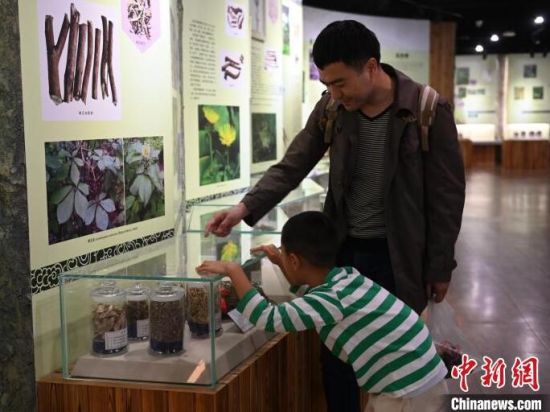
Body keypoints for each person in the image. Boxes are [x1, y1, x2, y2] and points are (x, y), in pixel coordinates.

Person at [205, 20, 465, 412]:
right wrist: (244, 207)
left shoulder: (426, 109)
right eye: (327, 84)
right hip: (341, 252)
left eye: (340, 83)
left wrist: (440, 266)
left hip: (399, 257)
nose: (334, 93)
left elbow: (447, 196)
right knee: (336, 355)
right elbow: (293, 164)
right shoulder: (333, 109)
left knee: (388, 351)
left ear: (371, 67)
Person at [197, 212, 448, 412]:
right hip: (418, 375)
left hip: (407, 389)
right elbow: (310, 295)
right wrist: (281, 261)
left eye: (284, 255)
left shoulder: (330, 299)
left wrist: (233, 270)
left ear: (295, 260)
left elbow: (267, 317)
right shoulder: (346, 278)